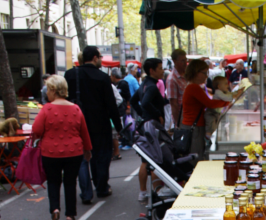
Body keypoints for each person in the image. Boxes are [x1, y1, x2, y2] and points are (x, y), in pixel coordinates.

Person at [31, 75, 92, 220]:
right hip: (74, 151)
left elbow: (36, 130)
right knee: (70, 182)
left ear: (52, 90)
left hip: (50, 151)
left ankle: (55, 209)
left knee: (53, 181)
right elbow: (84, 131)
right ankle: (70, 216)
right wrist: (88, 149)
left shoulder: (46, 109)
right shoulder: (75, 108)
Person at [65, 46, 122, 202]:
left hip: (76, 124)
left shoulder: (70, 75)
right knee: (101, 156)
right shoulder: (102, 77)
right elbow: (111, 105)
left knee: (82, 159)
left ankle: (86, 193)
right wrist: (118, 127)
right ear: (95, 58)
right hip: (100, 124)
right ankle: (101, 187)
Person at [131, 58, 169, 202]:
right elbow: (145, 102)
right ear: (152, 70)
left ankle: (143, 191)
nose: (162, 70)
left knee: (146, 160)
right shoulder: (152, 87)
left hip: (145, 125)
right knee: (156, 158)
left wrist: (143, 115)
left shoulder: (144, 84)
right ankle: (156, 191)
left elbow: (135, 101)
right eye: (160, 68)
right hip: (152, 127)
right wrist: (157, 115)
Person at [181, 59, 225, 163]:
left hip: (193, 126)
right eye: (204, 73)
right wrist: (227, 101)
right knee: (196, 158)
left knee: (196, 156)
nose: (206, 76)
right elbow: (210, 104)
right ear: (196, 72)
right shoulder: (193, 87)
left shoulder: (192, 86)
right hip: (194, 128)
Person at [166, 48, 187, 127]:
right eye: (182, 61)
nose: (185, 63)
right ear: (175, 61)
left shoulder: (186, 75)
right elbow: (173, 104)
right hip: (182, 119)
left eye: (185, 60)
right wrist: (178, 124)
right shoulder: (172, 79)